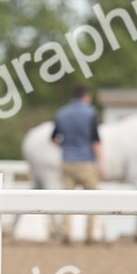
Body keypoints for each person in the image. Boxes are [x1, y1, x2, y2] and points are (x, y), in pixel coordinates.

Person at [52, 84, 104, 244]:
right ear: (86, 96)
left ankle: (66, 233)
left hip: (67, 161)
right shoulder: (90, 113)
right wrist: (102, 163)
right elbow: (96, 141)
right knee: (92, 200)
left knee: (67, 200)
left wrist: (66, 146)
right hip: (85, 162)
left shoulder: (61, 113)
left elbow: (53, 139)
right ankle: (90, 235)